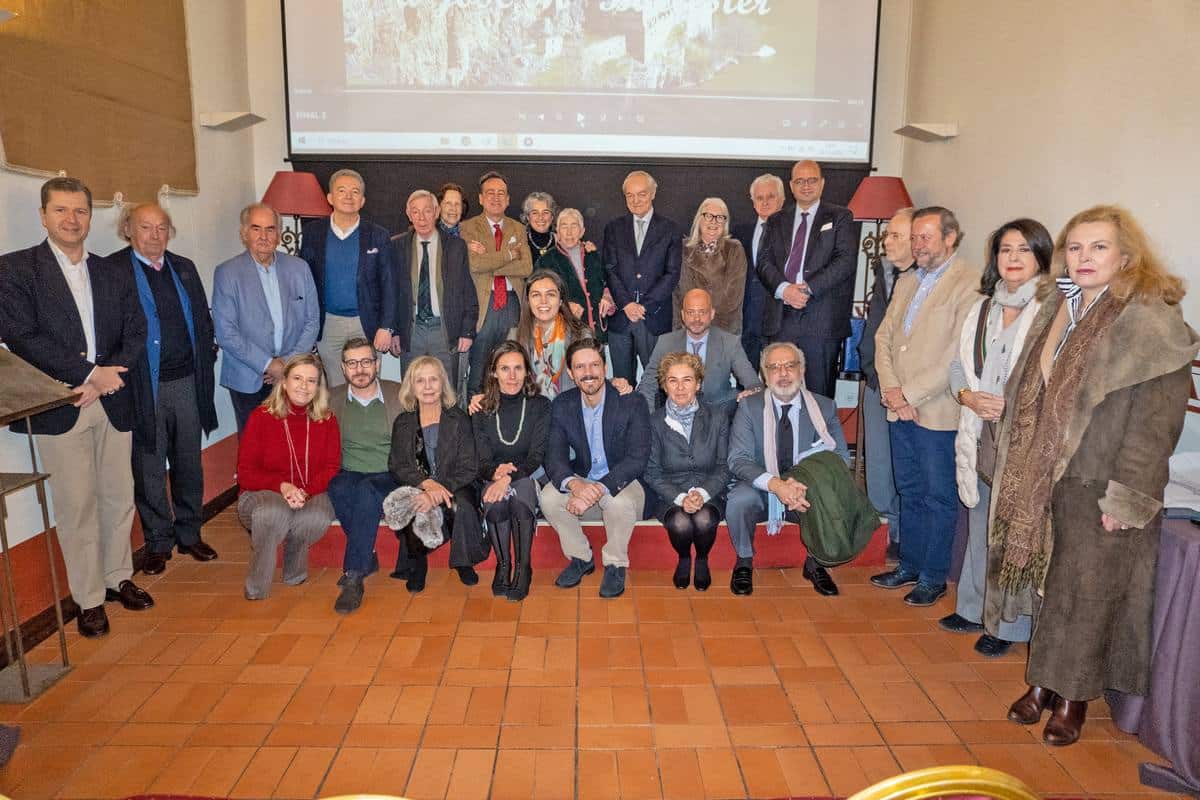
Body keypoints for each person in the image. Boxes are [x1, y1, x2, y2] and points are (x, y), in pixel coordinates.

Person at [989, 206, 1197, 746]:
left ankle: (1073, 699)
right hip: (1048, 474)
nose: (1084, 257)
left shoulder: (1150, 322)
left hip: (1100, 479)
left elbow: (1156, 425)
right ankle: (1043, 682)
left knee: (1089, 594)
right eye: (1076, 247)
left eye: (1099, 247)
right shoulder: (1060, 308)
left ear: (1126, 255)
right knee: (1050, 587)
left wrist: (1126, 499)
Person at [0, 177, 152, 638]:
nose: (72, 219)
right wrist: (89, 375)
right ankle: (88, 599)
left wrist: (106, 379)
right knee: (77, 505)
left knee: (118, 495)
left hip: (112, 400)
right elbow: (22, 338)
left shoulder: (111, 271)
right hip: (61, 404)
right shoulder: (16, 270)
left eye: (80, 211)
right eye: (61, 210)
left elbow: (136, 330)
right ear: (44, 215)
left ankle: (117, 577)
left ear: (90, 216)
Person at [937, 219, 1052, 657]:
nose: (1013, 258)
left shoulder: (1050, 312)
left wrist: (1011, 406)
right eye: (1005, 250)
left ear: (1041, 257)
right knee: (981, 520)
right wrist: (966, 396)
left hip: (1023, 436)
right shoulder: (982, 309)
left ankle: (1007, 626)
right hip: (980, 428)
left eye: (1024, 249)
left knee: (1011, 531)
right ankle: (972, 609)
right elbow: (958, 367)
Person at [870, 207, 980, 606]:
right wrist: (892, 390)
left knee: (938, 496)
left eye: (926, 237)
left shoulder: (969, 284)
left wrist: (909, 395)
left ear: (950, 238)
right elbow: (883, 338)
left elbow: (956, 354)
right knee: (909, 489)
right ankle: (909, 565)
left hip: (936, 411)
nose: (917, 245)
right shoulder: (906, 280)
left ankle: (933, 577)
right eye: (914, 237)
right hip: (898, 406)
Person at [113, 202, 219, 576]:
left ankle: (190, 533)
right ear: (128, 229)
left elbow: (202, 320)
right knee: (149, 466)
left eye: (161, 228)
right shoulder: (113, 271)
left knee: (189, 461)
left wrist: (207, 354)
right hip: (144, 387)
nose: (155, 235)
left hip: (187, 381)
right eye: (146, 227)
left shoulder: (184, 267)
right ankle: (158, 542)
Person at [726, 342, 853, 597]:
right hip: (762, 486)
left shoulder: (824, 407)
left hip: (804, 487)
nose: (783, 373)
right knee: (739, 500)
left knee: (833, 495)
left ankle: (816, 563)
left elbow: (840, 458)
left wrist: (805, 484)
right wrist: (776, 485)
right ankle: (744, 561)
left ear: (802, 370)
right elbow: (738, 459)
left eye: (790, 366)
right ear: (764, 375)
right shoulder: (749, 407)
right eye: (774, 367)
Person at [541, 339, 651, 598]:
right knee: (548, 497)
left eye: (594, 365)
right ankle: (581, 557)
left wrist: (599, 488)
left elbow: (637, 458)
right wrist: (576, 485)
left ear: (605, 367)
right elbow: (553, 456)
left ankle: (615, 564)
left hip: (624, 480)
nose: (588, 372)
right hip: (583, 478)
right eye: (580, 367)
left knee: (617, 502)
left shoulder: (631, 401)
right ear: (570, 373)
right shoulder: (562, 404)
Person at [236, 353, 341, 600]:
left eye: (311, 381)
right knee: (273, 513)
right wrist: (282, 486)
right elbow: (245, 473)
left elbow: (331, 467)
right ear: (284, 382)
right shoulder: (261, 416)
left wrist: (305, 492)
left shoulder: (327, 420)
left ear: (318, 386)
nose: (304, 386)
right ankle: (257, 586)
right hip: (262, 493)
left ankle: (294, 570)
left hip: (310, 491)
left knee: (316, 516)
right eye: (297, 378)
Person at [212, 203, 320, 432]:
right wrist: (268, 364)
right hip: (247, 377)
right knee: (254, 443)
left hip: (293, 374)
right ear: (244, 233)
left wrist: (287, 365)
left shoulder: (299, 268)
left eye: (270, 229)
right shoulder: (227, 273)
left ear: (279, 234)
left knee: (293, 439)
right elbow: (225, 332)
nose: (264, 236)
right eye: (256, 228)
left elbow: (312, 321)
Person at [756, 160, 858, 397]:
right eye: (800, 181)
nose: (806, 186)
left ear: (822, 183)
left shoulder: (840, 217)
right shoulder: (776, 220)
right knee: (779, 392)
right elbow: (763, 262)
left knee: (819, 396)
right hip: (782, 319)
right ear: (791, 186)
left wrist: (808, 289)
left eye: (812, 180)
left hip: (822, 319)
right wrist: (784, 289)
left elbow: (845, 261)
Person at [388, 356, 488, 592]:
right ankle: (417, 564)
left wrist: (439, 489)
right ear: (411, 387)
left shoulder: (459, 419)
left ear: (443, 383)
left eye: (433, 379)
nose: (428, 386)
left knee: (461, 504)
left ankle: (464, 562)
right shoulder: (403, 422)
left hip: (457, 484)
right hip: (419, 486)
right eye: (420, 381)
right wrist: (426, 484)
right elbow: (397, 465)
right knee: (413, 505)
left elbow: (469, 466)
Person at [326, 338, 403, 614]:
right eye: (352, 363)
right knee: (337, 487)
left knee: (367, 491)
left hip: (388, 474)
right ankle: (366, 557)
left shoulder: (398, 394)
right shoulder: (331, 399)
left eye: (366, 362)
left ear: (377, 364)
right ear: (343, 368)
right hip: (349, 472)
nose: (360, 369)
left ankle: (354, 576)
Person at [301, 169, 399, 386]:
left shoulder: (378, 235)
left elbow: (390, 285)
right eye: (342, 190)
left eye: (355, 192)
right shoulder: (312, 233)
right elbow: (304, 284)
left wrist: (387, 327)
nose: (348, 196)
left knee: (367, 385)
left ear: (362, 200)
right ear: (330, 198)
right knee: (336, 389)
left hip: (367, 324)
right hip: (328, 326)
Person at [471, 341, 551, 601]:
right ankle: (503, 565)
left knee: (520, 496)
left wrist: (507, 478)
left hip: (528, 474)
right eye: (505, 368)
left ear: (527, 371)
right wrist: (496, 475)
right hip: (493, 475)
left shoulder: (540, 405)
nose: (512, 376)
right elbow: (481, 460)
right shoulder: (481, 409)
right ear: (493, 372)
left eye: (518, 368)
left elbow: (536, 457)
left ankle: (523, 567)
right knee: (495, 504)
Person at [644, 352, 730, 591]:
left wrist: (702, 493)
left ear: (698, 383)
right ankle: (684, 557)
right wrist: (681, 497)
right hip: (669, 494)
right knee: (680, 523)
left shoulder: (718, 417)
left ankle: (702, 558)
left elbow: (724, 466)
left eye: (687, 380)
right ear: (664, 386)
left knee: (704, 519)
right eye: (672, 380)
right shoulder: (654, 422)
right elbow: (651, 472)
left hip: (710, 491)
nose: (680, 387)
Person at [857, 208, 915, 561]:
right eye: (887, 234)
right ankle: (889, 528)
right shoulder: (886, 271)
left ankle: (904, 536)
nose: (886, 241)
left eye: (895, 235)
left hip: (907, 391)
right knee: (879, 465)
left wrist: (901, 388)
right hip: (877, 380)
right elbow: (876, 331)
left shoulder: (927, 283)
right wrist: (871, 370)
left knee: (905, 468)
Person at [602, 170, 683, 383]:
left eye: (642, 194)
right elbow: (610, 269)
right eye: (630, 195)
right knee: (622, 386)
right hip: (621, 319)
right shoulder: (613, 228)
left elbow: (672, 273)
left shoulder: (671, 229)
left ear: (653, 193)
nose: (635, 200)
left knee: (658, 384)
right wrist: (626, 304)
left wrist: (644, 306)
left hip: (654, 317)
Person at [390, 189, 476, 383]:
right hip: (411, 331)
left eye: (427, 211)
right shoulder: (396, 246)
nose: (421, 218)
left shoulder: (456, 247)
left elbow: (468, 292)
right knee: (412, 389)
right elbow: (391, 293)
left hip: (444, 330)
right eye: (415, 212)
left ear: (437, 212)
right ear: (408, 214)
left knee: (447, 389)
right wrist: (393, 331)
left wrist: (467, 331)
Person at [636, 288, 761, 417]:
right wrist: (648, 419)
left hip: (719, 416)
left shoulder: (730, 343)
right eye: (691, 312)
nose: (696, 318)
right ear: (683, 315)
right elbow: (647, 385)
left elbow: (753, 383)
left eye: (702, 312)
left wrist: (751, 393)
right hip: (676, 416)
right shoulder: (666, 342)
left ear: (712, 314)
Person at [462, 171, 533, 393]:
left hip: (512, 304)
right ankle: (475, 408)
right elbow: (474, 264)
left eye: (501, 193)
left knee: (510, 366)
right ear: (480, 198)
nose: (496, 197)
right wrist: (510, 255)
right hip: (485, 304)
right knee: (480, 369)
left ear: (508, 199)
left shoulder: (518, 228)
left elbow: (526, 267)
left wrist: (489, 261)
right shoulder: (467, 228)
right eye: (490, 193)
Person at [509, 269, 590, 399]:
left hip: (570, 408)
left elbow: (592, 381)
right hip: (532, 408)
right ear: (528, 301)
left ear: (561, 300)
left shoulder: (581, 335)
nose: (543, 301)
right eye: (536, 295)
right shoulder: (515, 337)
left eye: (550, 294)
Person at [536, 208, 615, 340]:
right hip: (564, 333)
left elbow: (609, 282)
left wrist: (607, 297)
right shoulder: (546, 261)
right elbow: (537, 296)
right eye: (564, 226)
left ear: (582, 231)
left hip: (599, 333)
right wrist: (563, 307)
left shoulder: (594, 255)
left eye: (574, 226)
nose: (569, 232)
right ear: (557, 232)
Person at [733, 173, 786, 371]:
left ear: (782, 199)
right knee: (746, 378)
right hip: (747, 318)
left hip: (781, 318)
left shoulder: (793, 232)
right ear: (753, 201)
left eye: (771, 196)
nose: (765, 202)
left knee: (779, 376)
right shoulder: (739, 232)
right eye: (759, 197)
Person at [675, 197, 746, 334]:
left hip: (724, 328)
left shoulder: (734, 249)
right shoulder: (683, 249)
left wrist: (702, 316)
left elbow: (733, 296)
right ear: (699, 219)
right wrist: (680, 328)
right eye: (708, 216)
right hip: (689, 327)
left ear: (725, 222)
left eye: (720, 217)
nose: (714, 221)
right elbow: (678, 294)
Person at [522, 191, 558, 261]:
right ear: (528, 217)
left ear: (552, 216)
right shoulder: (520, 242)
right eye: (535, 213)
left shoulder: (562, 242)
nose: (540, 217)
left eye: (545, 212)